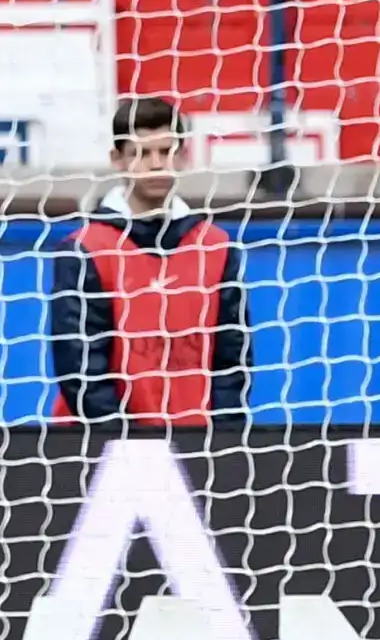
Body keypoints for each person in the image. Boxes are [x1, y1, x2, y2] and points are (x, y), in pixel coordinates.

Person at [49, 97, 248, 427]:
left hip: (196, 440)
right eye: (141, 153)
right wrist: (126, 443)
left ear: (183, 157)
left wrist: (221, 436)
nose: (156, 164)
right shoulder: (85, 248)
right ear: (117, 159)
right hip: (101, 444)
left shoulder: (215, 246)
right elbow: (80, 367)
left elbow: (233, 361)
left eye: (166, 151)